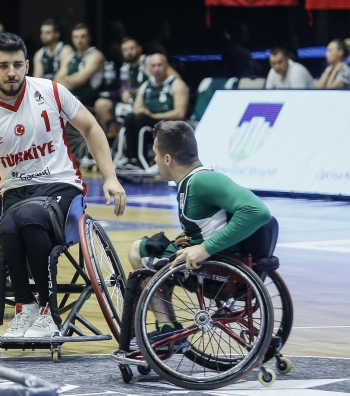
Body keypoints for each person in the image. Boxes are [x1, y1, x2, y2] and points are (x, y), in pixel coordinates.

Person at [0, 33, 127, 338]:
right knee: (7, 227)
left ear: (26, 63)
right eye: (4, 65)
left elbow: (90, 127)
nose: (12, 72)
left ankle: (49, 312)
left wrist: (110, 177)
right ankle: (26, 307)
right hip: (14, 193)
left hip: (60, 186)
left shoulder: (51, 91)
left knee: (28, 218)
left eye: (18, 64)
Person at [116, 120, 271, 350]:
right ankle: (168, 328)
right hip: (212, 265)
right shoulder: (189, 183)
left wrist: (204, 248)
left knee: (140, 251)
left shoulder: (203, 180)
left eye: (156, 155)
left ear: (167, 159)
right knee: (153, 247)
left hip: (218, 269)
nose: (155, 161)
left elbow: (259, 212)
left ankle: (168, 328)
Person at [93, 37, 180, 138]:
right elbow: (127, 88)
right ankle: (116, 139)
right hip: (133, 102)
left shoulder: (149, 62)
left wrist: (153, 78)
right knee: (101, 104)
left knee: (133, 117)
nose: (129, 52)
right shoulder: (126, 67)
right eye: (125, 50)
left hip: (148, 102)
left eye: (131, 48)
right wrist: (126, 92)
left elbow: (175, 78)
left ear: (139, 49)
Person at [123, 53, 188, 168]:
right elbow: (136, 108)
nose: (156, 69)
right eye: (153, 66)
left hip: (166, 124)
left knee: (140, 118)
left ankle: (141, 160)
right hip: (146, 121)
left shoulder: (177, 84)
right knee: (130, 117)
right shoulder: (145, 85)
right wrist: (142, 111)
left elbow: (180, 113)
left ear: (167, 67)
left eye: (159, 65)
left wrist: (153, 115)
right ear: (149, 69)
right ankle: (132, 158)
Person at [54, 24, 105, 110]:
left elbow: (80, 80)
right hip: (71, 97)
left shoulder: (95, 55)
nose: (79, 40)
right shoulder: (70, 57)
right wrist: (72, 80)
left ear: (89, 38)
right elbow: (56, 80)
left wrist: (65, 80)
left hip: (89, 99)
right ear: (72, 39)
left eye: (82, 36)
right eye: (76, 37)